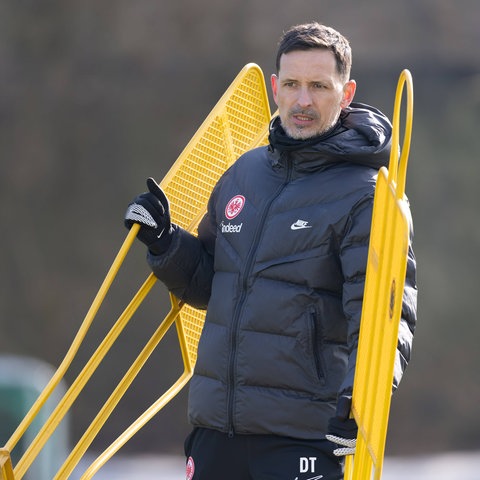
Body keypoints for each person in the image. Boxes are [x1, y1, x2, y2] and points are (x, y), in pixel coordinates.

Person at [124, 22, 417, 480]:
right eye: (294, 85)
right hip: (216, 431)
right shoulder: (244, 173)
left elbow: (387, 319)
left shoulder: (368, 196)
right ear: (276, 87)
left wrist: (359, 403)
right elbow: (208, 285)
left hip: (303, 438)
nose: (303, 101)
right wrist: (165, 242)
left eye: (319, 86)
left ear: (346, 92)